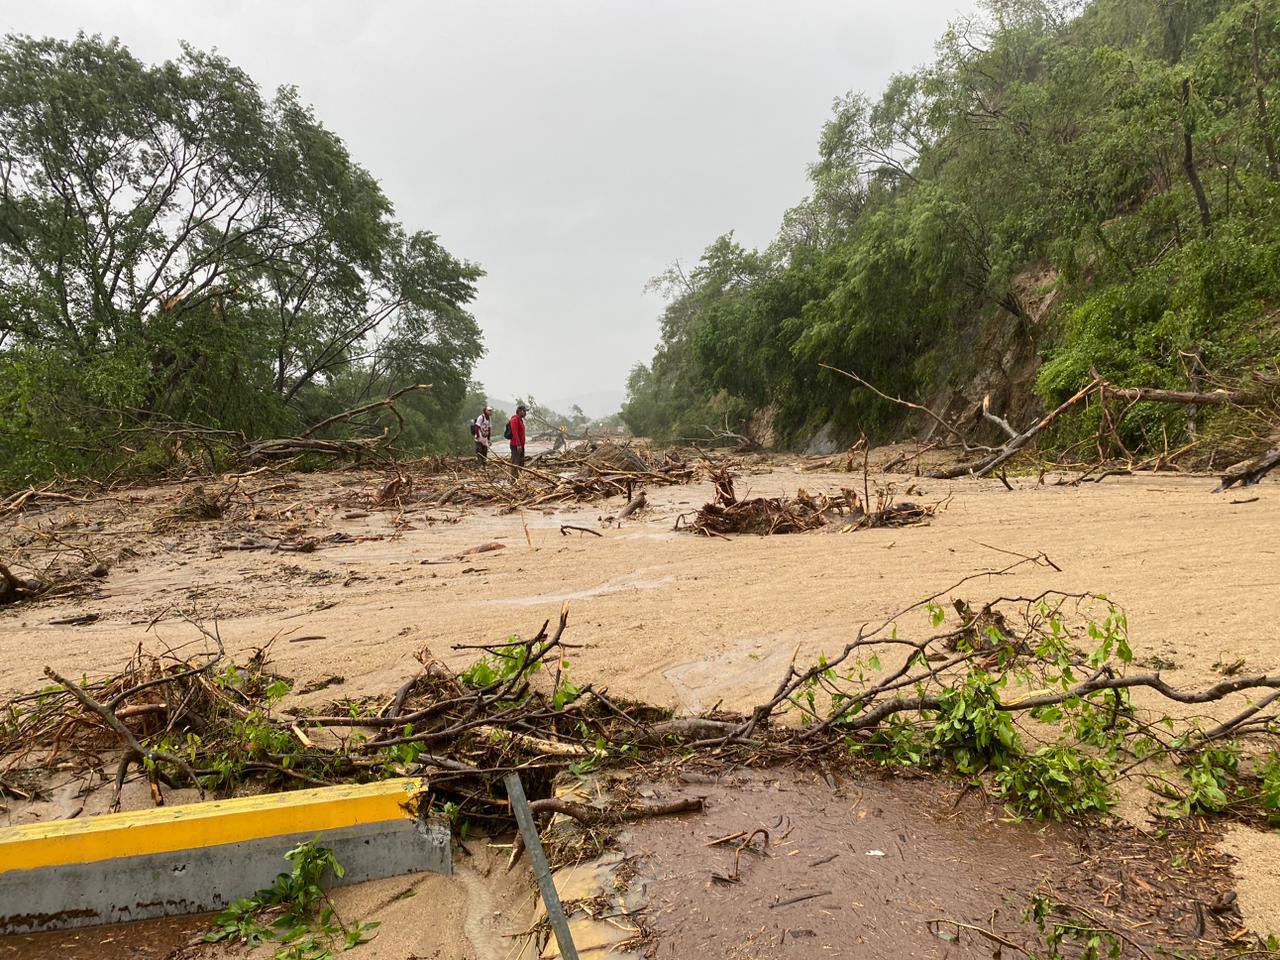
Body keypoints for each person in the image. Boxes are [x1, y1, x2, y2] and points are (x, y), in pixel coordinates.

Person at [507, 404, 527, 469]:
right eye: (524, 411)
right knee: (515, 463)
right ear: (520, 411)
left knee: (521, 463)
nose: (525, 413)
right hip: (516, 445)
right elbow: (514, 433)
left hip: (521, 445)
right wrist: (518, 445)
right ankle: (514, 477)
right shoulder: (515, 419)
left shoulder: (520, 420)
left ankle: (519, 477)